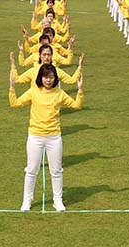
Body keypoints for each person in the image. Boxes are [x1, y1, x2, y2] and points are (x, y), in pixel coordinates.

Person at [9, 64, 83, 212]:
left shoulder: (60, 93)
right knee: (31, 170)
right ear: (40, 78)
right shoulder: (33, 92)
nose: (48, 80)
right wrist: (12, 88)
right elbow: (15, 103)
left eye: (51, 77)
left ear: (55, 78)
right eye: (45, 77)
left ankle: (58, 201)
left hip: (54, 137)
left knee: (56, 171)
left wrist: (80, 90)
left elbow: (76, 105)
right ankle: (27, 201)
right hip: (35, 136)